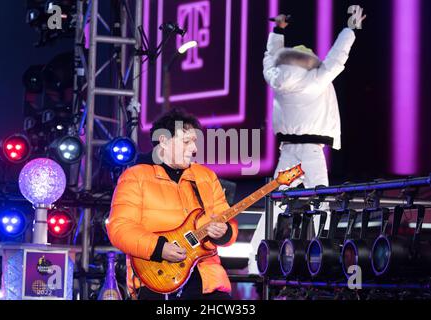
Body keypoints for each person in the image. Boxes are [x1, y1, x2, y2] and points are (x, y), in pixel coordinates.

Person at [249, 12, 364, 274]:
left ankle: (255, 260)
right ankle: (323, 260)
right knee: (321, 204)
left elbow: (269, 58)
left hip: (288, 152)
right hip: (310, 153)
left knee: (273, 206)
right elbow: (336, 58)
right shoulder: (316, 79)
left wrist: (277, 32)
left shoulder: (275, 79)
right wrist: (350, 30)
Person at [107, 108, 239, 300]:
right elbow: (120, 229)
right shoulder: (136, 176)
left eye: (194, 142)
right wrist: (159, 248)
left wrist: (224, 232)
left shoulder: (206, 177)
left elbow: (228, 224)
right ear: (164, 141)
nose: (194, 149)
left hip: (207, 282)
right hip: (158, 280)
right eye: (186, 142)